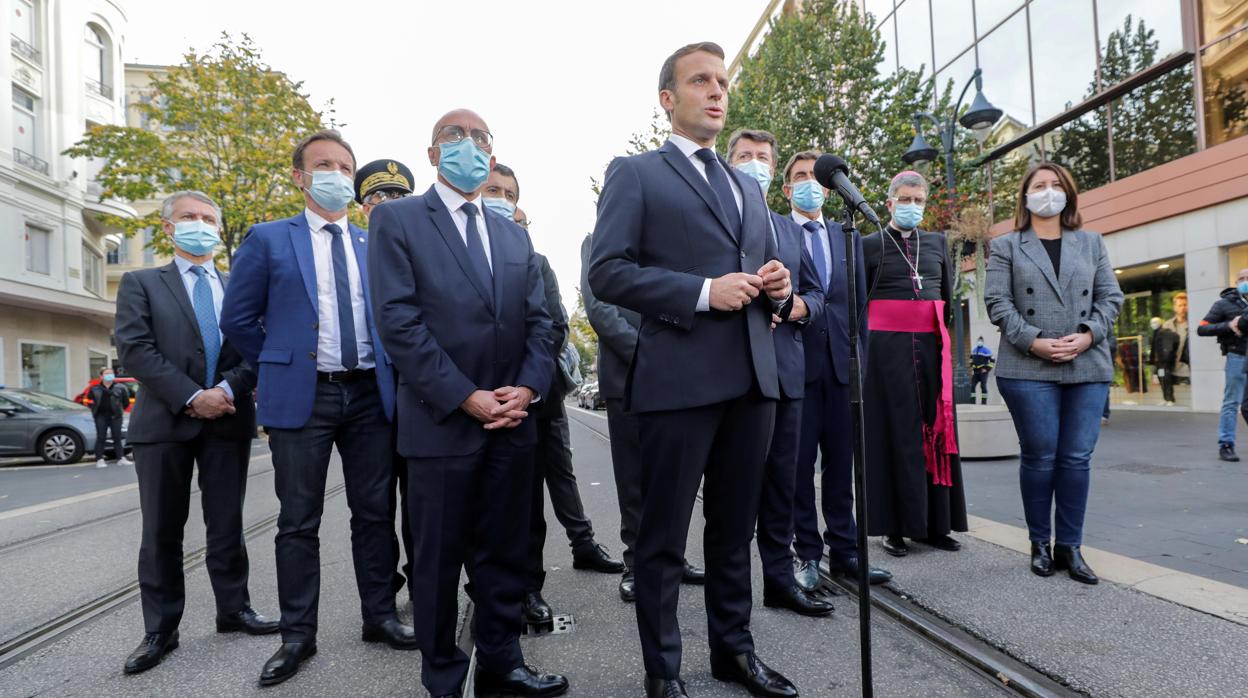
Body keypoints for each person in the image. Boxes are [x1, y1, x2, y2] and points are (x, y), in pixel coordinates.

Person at [589, 42, 798, 698]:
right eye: (700, 81)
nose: (716, 91)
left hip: (752, 381)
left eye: (722, 81)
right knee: (663, 540)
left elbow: (760, 275)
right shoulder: (635, 172)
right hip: (678, 381)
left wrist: (777, 284)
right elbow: (607, 272)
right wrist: (703, 292)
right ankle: (663, 671)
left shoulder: (746, 188)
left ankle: (733, 653)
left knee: (734, 532)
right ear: (667, 99)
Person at [368, 109, 568, 698]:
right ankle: (444, 679)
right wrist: (466, 397)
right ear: (432, 154)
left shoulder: (513, 233)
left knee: (504, 558)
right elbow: (398, 323)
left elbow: (543, 325)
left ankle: (502, 666)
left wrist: (527, 389)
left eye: (481, 137)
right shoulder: (399, 221)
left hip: (512, 425)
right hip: (440, 427)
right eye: (455, 136)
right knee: (435, 566)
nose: (470, 146)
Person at [220, 130, 412, 687]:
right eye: (324, 164)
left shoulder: (369, 243)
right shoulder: (267, 239)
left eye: (344, 166)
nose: (336, 174)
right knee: (298, 520)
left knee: (374, 513)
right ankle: (297, 635)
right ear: (301, 177)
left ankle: (379, 616)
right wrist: (280, 362)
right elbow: (238, 319)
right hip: (306, 396)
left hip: (369, 396)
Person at [113, 190, 278, 675]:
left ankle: (234, 609)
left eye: (208, 218)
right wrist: (192, 395)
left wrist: (226, 388)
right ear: (168, 227)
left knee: (227, 524)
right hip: (164, 422)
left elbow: (257, 348)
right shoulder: (141, 282)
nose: (200, 225)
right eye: (189, 217)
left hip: (227, 418)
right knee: (162, 530)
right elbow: (136, 350)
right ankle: (161, 628)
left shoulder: (237, 284)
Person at [484, 163, 623, 628]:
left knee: (535, 495)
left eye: (509, 195)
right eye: (492, 191)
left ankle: (530, 587)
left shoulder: (535, 263)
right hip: (469, 401)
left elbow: (554, 326)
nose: (501, 202)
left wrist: (527, 386)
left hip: (533, 398)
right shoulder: (446, 251)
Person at [985, 162, 1123, 585]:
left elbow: (1110, 298)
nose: (1048, 192)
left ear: (1069, 193)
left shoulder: (1092, 242)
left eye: (1055, 185)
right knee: (1041, 455)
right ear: (1025, 197)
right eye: (1039, 186)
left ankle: (1071, 546)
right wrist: (1034, 340)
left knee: (1076, 458)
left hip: (1087, 363)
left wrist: (1087, 336)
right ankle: (1040, 543)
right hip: (1028, 364)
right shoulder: (1007, 245)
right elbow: (997, 302)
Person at [726, 131, 833, 617]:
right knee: (731, 495)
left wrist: (790, 307)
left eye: (763, 158)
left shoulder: (791, 231)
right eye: (745, 157)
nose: (755, 164)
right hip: (730, 374)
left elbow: (816, 296)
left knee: (782, 487)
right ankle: (731, 600)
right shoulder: (718, 224)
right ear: (727, 164)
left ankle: (779, 579)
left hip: (787, 373)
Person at [775, 147, 893, 589]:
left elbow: (859, 307)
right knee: (800, 469)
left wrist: (859, 359)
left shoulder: (847, 237)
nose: (809, 182)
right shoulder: (779, 232)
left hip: (843, 368)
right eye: (800, 176)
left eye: (814, 176)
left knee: (842, 468)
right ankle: (807, 554)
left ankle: (846, 551)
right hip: (797, 367)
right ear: (787, 188)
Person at [580, 233, 707, 604]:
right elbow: (598, 306)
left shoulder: (666, 230)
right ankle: (636, 564)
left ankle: (672, 557)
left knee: (672, 475)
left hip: (674, 374)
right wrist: (648, 351)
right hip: (628, 371)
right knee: (633, 475)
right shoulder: (597, 239)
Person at [862, 170, 968, 558]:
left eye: (918, 200)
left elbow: (947, 296)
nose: (912, 207)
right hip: (887, 354)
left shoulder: (938, 243)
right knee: (897, 435)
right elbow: (860, 303)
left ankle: (936, 525)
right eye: (905, 200)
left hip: (932, 350)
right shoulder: (868, 245)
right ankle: (895, 526)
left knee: (938, 433)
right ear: (889, 203)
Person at [353, 158, 417, 597]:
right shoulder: (350, 248)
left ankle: (425, 586)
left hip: (419, 392)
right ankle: (380, 600)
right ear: (363, 207)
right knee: (373, 507)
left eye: (399, 197)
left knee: (422, 504)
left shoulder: (422, 247)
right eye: (379, 198)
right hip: (367, 399)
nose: (390, 205)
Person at [1197, 269, 1248, 461]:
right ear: (1236, 282)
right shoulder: (1224, 304)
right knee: (1232, 401)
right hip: (1238, 356)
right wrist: (1228, 326)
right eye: (1241, 278)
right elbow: (1202, 328)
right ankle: (1226, 444)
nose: (1245, 282)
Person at [88, 367, 132, 468]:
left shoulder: (120, 387)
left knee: (117, 437)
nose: (109, 375)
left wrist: (119, 410)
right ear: (101, 376)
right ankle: (99, 459)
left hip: (116, 416)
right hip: (100, 416)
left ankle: (121, 458)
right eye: (107, 373)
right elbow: (90, 401)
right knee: (101, 437)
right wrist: (94, 410)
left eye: (111, 373)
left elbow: (126, 402)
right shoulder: (95, 389)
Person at [1149, 316, 1180, 405]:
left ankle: (1170, 399)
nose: (1153, 325)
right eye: (1152, 323)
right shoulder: (1155, 334)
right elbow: (1154, 348)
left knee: (1166, 379)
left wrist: (1168, 356)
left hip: (1165, 362)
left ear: (1160, 323)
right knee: (1162, 379)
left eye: (1155, 322)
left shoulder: (1164, 333)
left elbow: (1170, 345)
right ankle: (1165, 398)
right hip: (1159, 362)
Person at [1165, 292, 1191, 391]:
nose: (1182, 308)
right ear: (1174, 307)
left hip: (1187, 371)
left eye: (1185, 305)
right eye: (1180, 305)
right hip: (1171, 370)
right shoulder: (1167, 325)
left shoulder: (1192, 324)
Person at [970, 337, 995, 405]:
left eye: (981, 341)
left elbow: (992, 361)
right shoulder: (974, 350)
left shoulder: (987, 350)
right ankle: (972, 403)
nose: (979, 342)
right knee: (972, 386)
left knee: (983, 386)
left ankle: (984, 403)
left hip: (983, 372)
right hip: (975, 372)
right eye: (978, 341)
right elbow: (971, 359)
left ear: (983, 342)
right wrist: (972, 367)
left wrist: (986, 369)